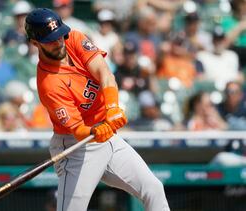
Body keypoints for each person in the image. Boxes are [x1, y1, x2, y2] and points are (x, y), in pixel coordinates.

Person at [25, 8, 170, 211]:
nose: (58, 42)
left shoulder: (73, 38)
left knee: (153, 188)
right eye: (50, 40)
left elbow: (104, 72)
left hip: (107, 133)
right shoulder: (49, 83)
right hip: (76, 146)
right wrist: (93, 131)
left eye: (59, 35)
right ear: (35, 43)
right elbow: (77, 129)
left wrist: (112, 108)